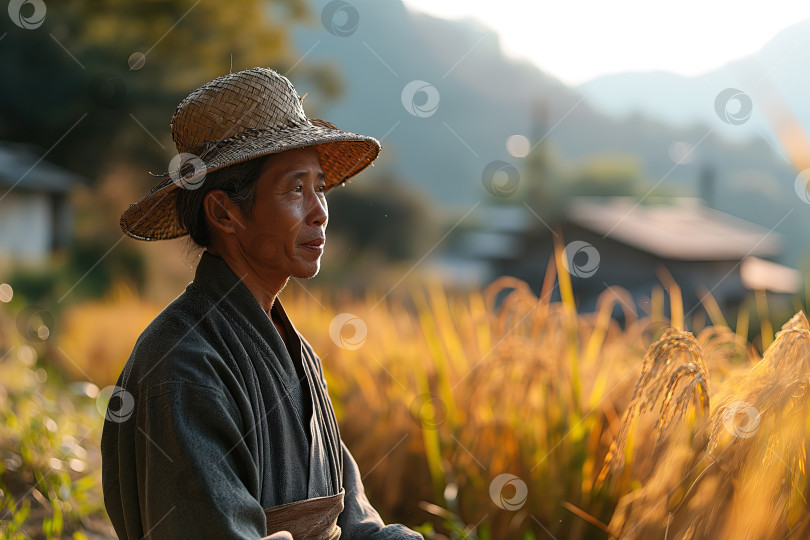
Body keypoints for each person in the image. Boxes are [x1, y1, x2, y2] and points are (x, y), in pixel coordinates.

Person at [101, 67, 423, 540]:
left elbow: (351, 519)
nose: (319, 211)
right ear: (224, 212)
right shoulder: (184, 364)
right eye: (296, 188)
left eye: (319, 186)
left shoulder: (298, 355)